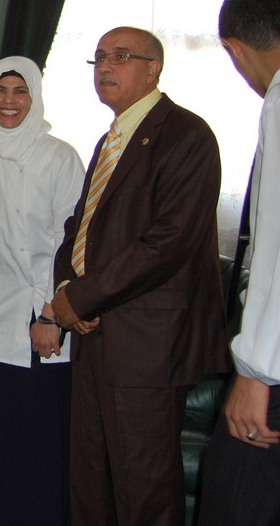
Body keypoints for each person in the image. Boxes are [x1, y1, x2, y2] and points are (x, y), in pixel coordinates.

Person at [50, 27, 228, 525]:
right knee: (91, 479)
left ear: (154, 69)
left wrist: (81, 298)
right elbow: (79, 227)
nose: (106, 66)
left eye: (121, 56)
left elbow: (168, 242)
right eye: (100, 57)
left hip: (147, 343)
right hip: (93, 334)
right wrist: (66, 289)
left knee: (144, 488)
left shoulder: (187, 136)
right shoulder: (110, 139)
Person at [0, 57, 84, 526]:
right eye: (1, 91)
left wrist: (51, 315)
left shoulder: (59, 157)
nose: (9, 101)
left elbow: (74, 243)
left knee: (39, 437)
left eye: (20, 91)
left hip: (45, 317)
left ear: (35, 97)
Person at [199, 0, 280, 525]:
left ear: (233, 48)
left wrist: (255, 373)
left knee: (235, 496)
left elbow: (275, 246)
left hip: (273, 369)